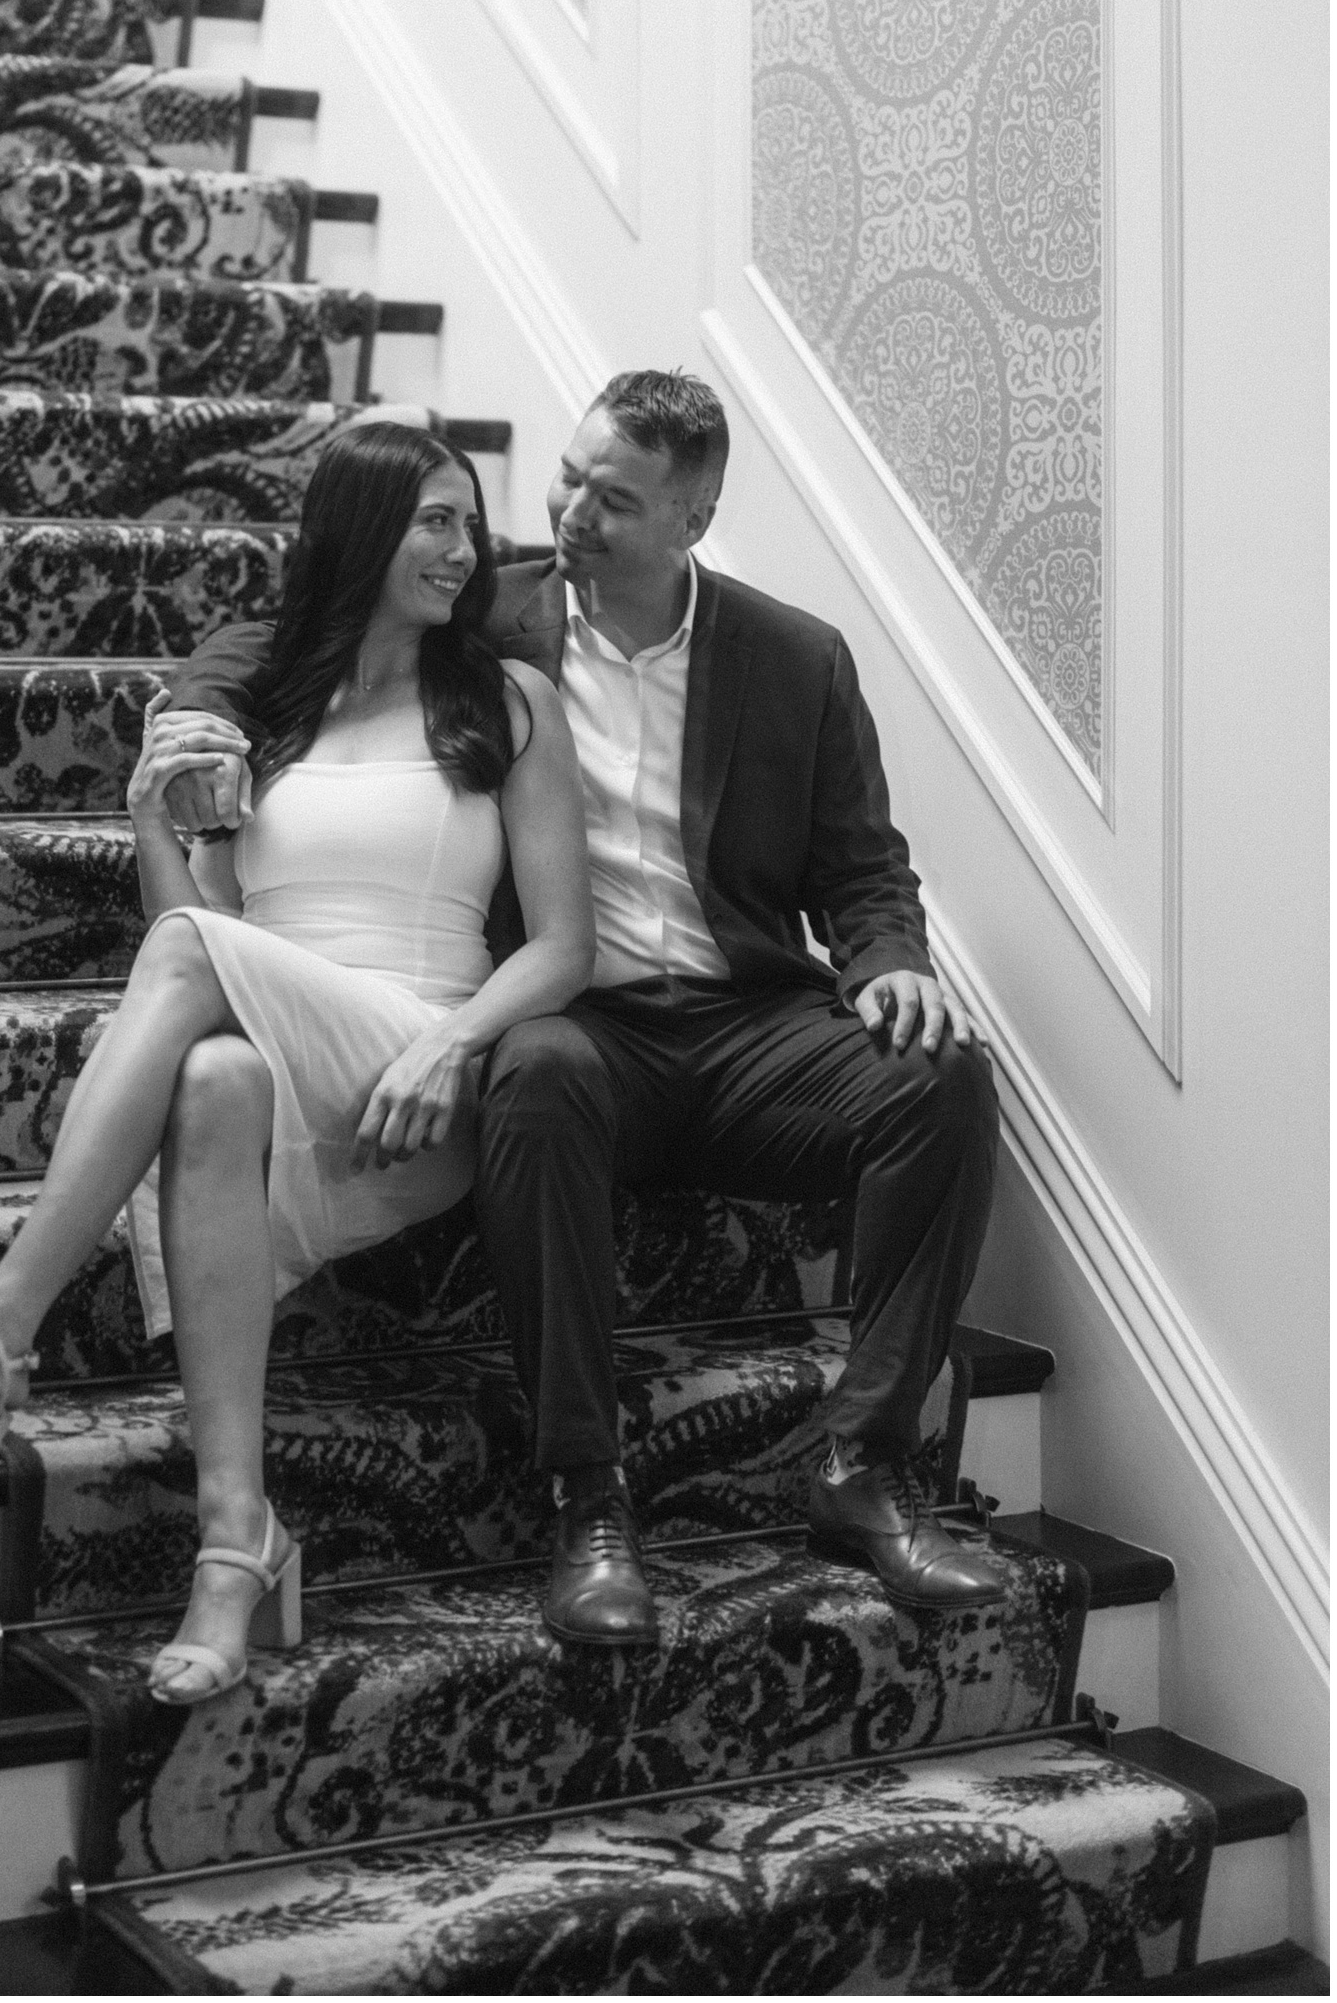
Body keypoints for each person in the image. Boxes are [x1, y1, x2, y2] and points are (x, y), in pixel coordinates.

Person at [163, 372, 1004, 1647]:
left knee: (941, 1080)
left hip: (742, 1028)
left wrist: (888, 957)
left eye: (612, 501)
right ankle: (588, 1492)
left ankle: (861, 1462)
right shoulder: (487, 607)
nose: (569, 513)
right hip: (575, 1025)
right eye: (566, 477)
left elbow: (862, 869)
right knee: (539, 1069)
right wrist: (196, 719)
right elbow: (277, 639)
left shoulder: (793, 658)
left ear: (692, 518)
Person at [0, 422, 595, 1705]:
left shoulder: (510, 702)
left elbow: (565, 946)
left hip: (419, 1055)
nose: (465, 552)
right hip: (279, 1046)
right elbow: (214, 919)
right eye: (434, 521)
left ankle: (1, 1321)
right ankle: (237, 1537)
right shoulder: (276, 717)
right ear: (356, 531)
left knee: (190, 955)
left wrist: (459, 1043)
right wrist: (147, 808)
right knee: (208, 1080)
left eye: (471, 524)